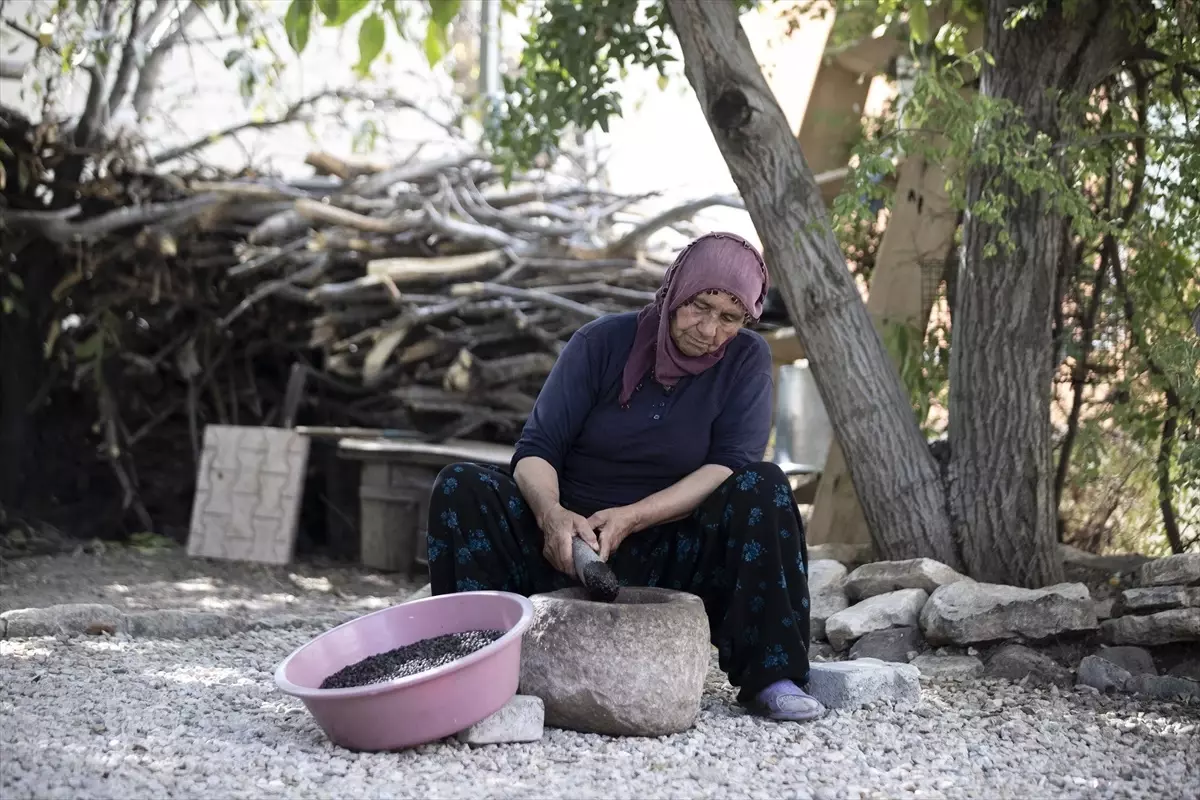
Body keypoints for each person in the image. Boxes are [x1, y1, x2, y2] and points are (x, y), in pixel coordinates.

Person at [425, 231, 824, 723]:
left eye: (730, 318)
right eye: (700, 306)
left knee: (763, 485)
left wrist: (633, 518)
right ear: (676, 290)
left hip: (674, 550)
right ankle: (471, 668)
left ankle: (773, 676)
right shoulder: (601, 343)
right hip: (568, 545)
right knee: (461, 486)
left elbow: (729, 464)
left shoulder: (745, 360)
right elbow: (536, 450)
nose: (709, 329)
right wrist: (553, 517)